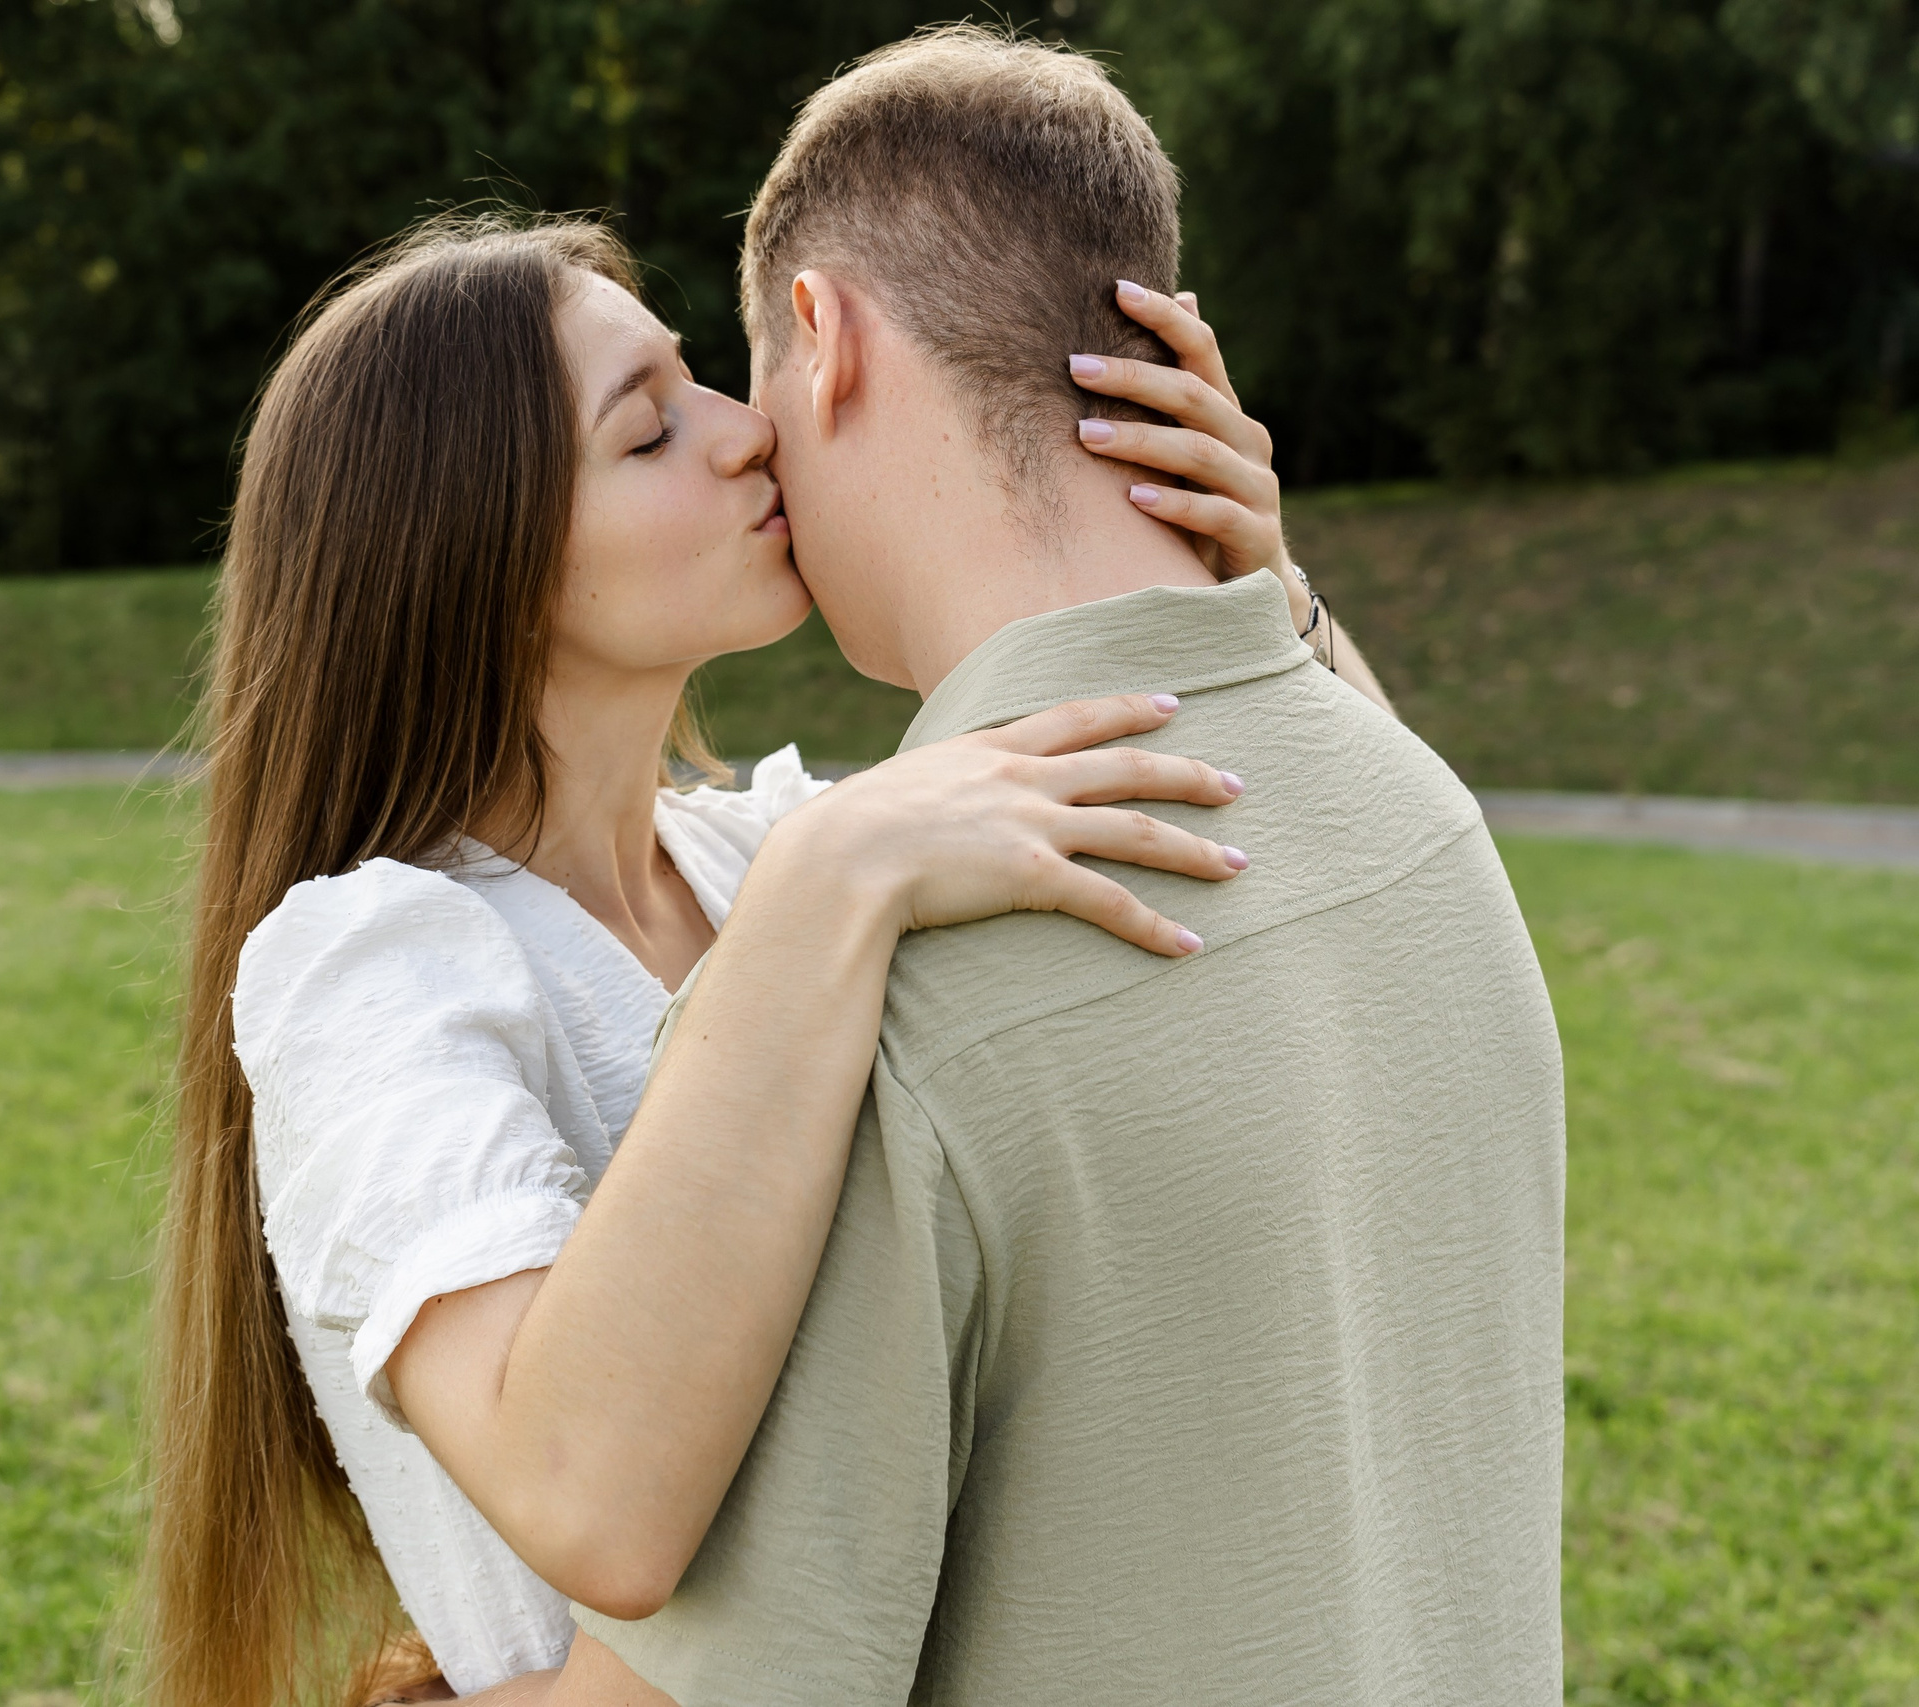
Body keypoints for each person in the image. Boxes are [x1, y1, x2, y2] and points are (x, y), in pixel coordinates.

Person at [143, 197, 1337, 1707]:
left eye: (699, 376)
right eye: (647, 434)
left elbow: (1277, 870)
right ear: (470, 557)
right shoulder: (371, 968)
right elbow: (591, 1504)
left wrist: (1262, 596)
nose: (745, 432)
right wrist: (837, 876)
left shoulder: (760, 849)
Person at [552, 28, 1566, 1707]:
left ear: (825, 335)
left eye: (747, 378)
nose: (752, 454)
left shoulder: (858, 1003)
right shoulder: (1430, 827)